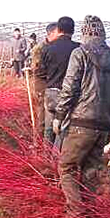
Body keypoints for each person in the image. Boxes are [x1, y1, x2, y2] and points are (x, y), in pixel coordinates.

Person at [55, 15, 110, 218]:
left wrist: (59, 115)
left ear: (84, 33)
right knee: (91, 169)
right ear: (103, 34)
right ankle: (90, 212)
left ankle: (76, 213)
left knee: (66, 167)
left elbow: (70, 88)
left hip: (81, 122)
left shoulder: (80, 54)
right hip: (103, 125)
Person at [38, 16, 80, 145]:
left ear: (59, 29)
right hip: (69, 95)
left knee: (49, 128)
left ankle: (45, 159)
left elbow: (41, 72)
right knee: (62, 129)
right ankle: (56, 160)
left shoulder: (47, 48)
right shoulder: (78, 49)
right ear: (73, 31)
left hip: (51, 93)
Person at [31, 23, 58, 139]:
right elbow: (37, 70)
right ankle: (39, 140)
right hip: (42, 85)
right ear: (51, 33)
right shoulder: (40, 49)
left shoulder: (54, 47)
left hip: (51, 84)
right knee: (42, 113)